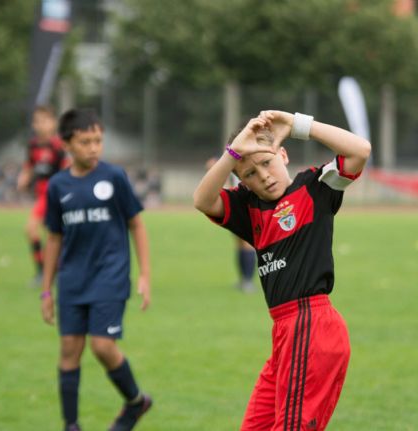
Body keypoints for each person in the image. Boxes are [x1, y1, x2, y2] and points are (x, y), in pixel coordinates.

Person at [194, 110, 371, 430]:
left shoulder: (315, 188)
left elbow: (360, 150)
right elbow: (203, 200)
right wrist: (233, 154)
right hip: (284, 333)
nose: (262, 176)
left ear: (283, 154)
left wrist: (297, 125)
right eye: (248, 173)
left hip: (311, 324)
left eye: (266, 162)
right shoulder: (249, 208)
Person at [40, 108, 153, 431]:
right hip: (72, 279)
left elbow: (137, 225)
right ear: (66, 144)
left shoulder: (114, 177)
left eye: (98, 141)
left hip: (110, 274)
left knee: (102, 346)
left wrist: (144, 274)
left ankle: (135, 402)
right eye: (85, 141)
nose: (94, 148)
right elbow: (53, 239)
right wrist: (47, 290)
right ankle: (71, 425)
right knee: (68, 351)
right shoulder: (58, 186)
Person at [17, 105, 69, 285]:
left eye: (45, 120)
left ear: (53, 123)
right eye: (37, 121)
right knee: (41, 233)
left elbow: (66, 169)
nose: (41, 125)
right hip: (41, 196)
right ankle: (45, 272)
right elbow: (29, 166)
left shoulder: (58, 146)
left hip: (53, 196)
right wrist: (23, 179)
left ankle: (49, 272)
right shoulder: (33, 145)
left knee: (48, 234)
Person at [205, 156, 257, 292]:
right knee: (239, 243)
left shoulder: (241, 161)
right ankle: (243, 280)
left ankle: (248, 281)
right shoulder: (230, 163)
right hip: (237, 202)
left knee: (247, 243)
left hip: (246, 202)